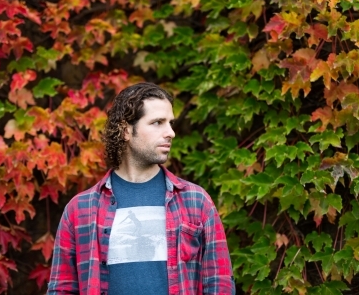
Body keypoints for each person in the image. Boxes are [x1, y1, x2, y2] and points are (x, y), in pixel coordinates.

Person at [48, 82, 235, 295]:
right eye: (157, 122)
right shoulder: (80, 210)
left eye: (170, 123)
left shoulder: (195, 201)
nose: (171, 133)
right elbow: (61, 289)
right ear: (126, 130)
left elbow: (220, 283)